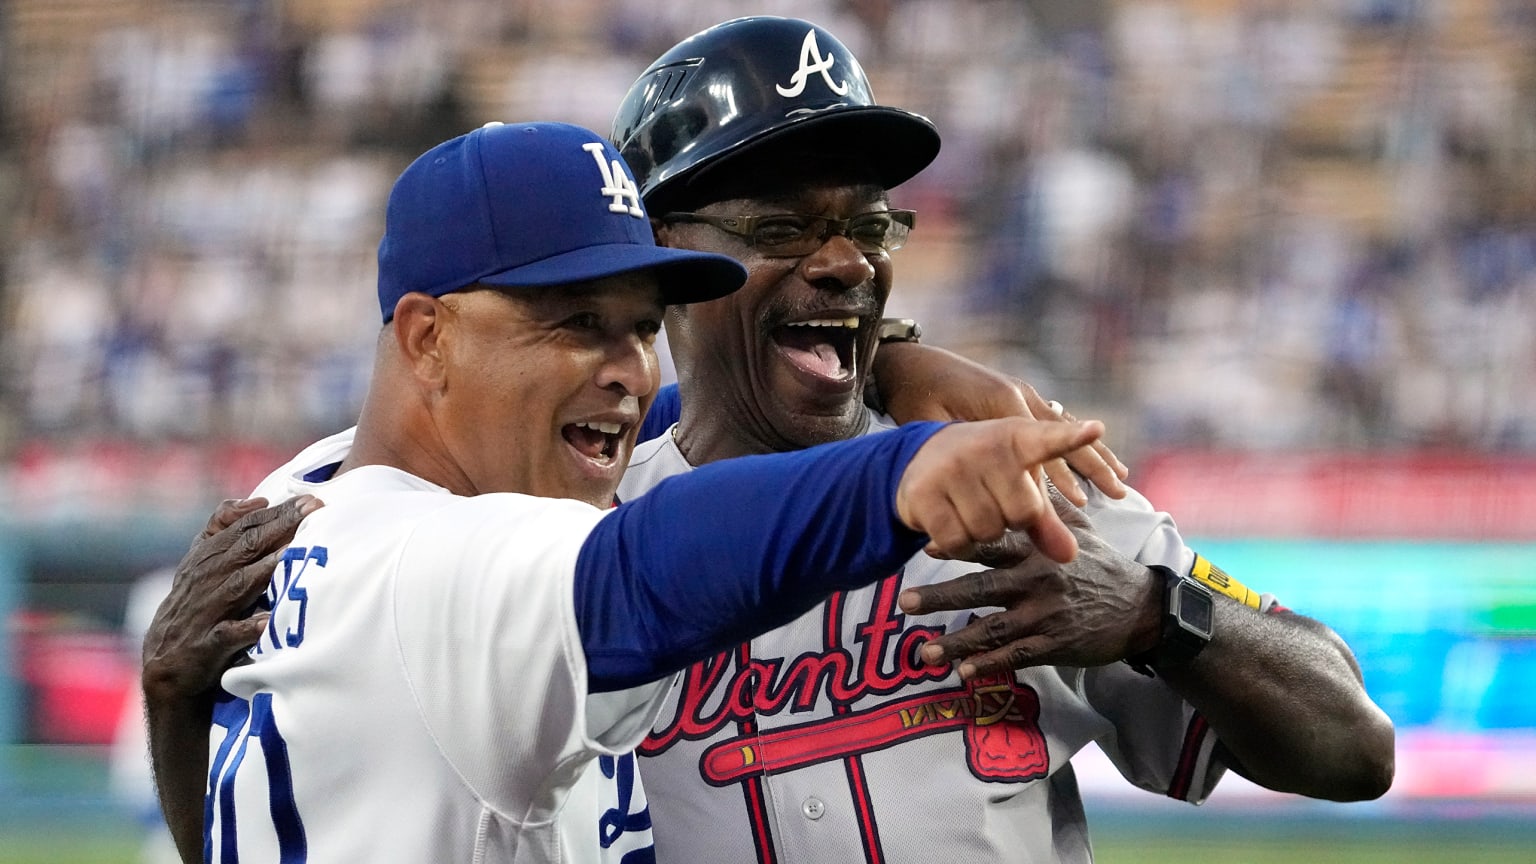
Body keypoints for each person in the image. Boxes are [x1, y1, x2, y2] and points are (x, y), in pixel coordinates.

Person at [145, 16, 1395, 864]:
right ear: (676, 267)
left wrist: (1157, 614)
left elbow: (1354, 745)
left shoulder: (1030, 487)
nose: (846, 259)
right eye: (780, 226)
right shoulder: (557, 512)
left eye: (869, 225)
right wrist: (172, 690)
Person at [149, 118, 1104, 864]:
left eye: (641, 328)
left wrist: (876, 370)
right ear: (428, 339)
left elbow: (669, 420)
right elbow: (648, 569)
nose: (626, 371)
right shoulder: (441, 571)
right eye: (574, 322)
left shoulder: (308, 490)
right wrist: (896, 475)